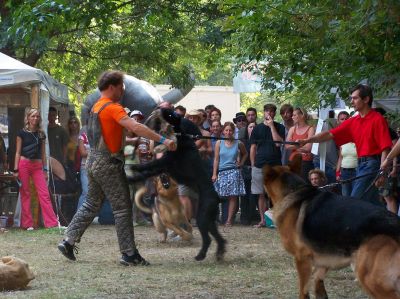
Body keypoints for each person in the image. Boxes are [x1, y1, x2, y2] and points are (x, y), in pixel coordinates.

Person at [58, 70, 176, 266]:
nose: (123, 90)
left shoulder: (96, 107)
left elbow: (126, 130)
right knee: (122, 208)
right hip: (108, 163)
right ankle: (129, 254)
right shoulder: (112, 107)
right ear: (112, 86)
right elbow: (136, 128)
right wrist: (164, 139)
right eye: (121, 86)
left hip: (93, 162)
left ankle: (68, 241)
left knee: (91, 204)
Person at [298, 84, 392, 204]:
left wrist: (382, 172)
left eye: (355, 98)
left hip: (372, 164)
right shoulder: (353, 121)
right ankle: (386, 222)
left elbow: (386, 147)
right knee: (371, 203)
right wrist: (307, 140)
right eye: (351, 98)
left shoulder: (377, 119)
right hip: (361, 164)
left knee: (354, 201)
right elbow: (329, 134)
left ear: (366, 99)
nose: (351, 101)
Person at [13, 108, 58, 230]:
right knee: (25, 193)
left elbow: (43, 153)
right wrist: (15, 169)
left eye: (37, 116)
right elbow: (17, 152)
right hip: (24, 164)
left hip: (37, 166)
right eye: (32, 116)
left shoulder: (41, 134)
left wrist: (45, 169)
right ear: (28, 118)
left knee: (44, 194)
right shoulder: (21, 133)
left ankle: (51, 223)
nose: (35, 118)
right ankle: (27, 224)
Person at [250, 103, 285, 228]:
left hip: (275, 165)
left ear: (274, 114)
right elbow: (253, 147)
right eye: (267, 111)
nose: (269, 114)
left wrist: (271, 127)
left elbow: (277, 144)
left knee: (276, 193)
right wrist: (253, 164)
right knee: (260, 194)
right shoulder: (257, 128)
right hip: (259, 165)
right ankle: (262, 220)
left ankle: (277, 220)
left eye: (271, 112)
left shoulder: (279, 127)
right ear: (263, 112)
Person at [212, 122, 247, 227]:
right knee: (218, 195)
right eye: (226, 130)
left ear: (233, 131)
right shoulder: (219, 143)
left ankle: (229, 220)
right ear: (223, 131)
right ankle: (215, 217)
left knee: (233, 197)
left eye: (230, 130)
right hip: (221, 172)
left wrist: (241, 163)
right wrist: (214, 173)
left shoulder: (238, 143)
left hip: (233, 171)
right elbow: (216, 159)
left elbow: (245, 153)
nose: (228, 132)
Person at [285, 108, 315, 181]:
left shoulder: (310, 129)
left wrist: (294, 146)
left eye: (294, 115)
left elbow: (308, 148)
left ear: (302, 115)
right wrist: (301, 145)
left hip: (305, 162)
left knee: (304, 185)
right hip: (292, 161)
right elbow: (286, 146)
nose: (292, 117)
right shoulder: (292, 129)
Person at [335, 111, 358, 196]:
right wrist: (337, 173)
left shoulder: (357, 135)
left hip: (357, 171)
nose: (344, 121)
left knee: (356, 196)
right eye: (342, 119)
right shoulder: (340, 138)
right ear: (338, 121)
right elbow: (340, 157)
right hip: (344, 172)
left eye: (346, 119)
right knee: (345, 195)